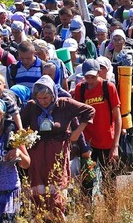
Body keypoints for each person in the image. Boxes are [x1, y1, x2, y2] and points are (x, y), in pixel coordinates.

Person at [20, 76, 94, 215]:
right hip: (37, 155)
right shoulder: (32, 107)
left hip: (57, 154)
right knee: (39, 195)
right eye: (39, 98)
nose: (43, 102)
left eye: (46, 98)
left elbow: (89, 111)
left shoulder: (64, 104)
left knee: (57, 195)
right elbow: (20, 126)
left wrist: (77, 132)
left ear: (53, 94)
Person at [72, 59, 122, 186]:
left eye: (92, 77)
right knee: (87, 183)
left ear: (99, 72)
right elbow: (77, 116)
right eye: (86, 77)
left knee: (109, 182)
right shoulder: (80, 89)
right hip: (88, 143)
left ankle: (111, 207)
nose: (89, 80)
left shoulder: (108, 87)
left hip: (107, 142)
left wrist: (115, 146)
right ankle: (88, 206)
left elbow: (117, 117)